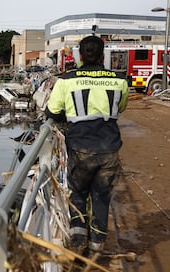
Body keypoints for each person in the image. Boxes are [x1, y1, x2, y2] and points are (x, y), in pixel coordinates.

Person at [44, 35, 129, 256]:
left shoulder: (66, 80)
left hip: (80, 150)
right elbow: (120, 109)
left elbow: (51, 112)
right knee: (101, 197)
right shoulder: (119, 79)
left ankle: (78, 239)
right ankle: (97, 247)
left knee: (78, 194)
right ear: (103, 55)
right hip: (109, 149)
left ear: (80, 56)